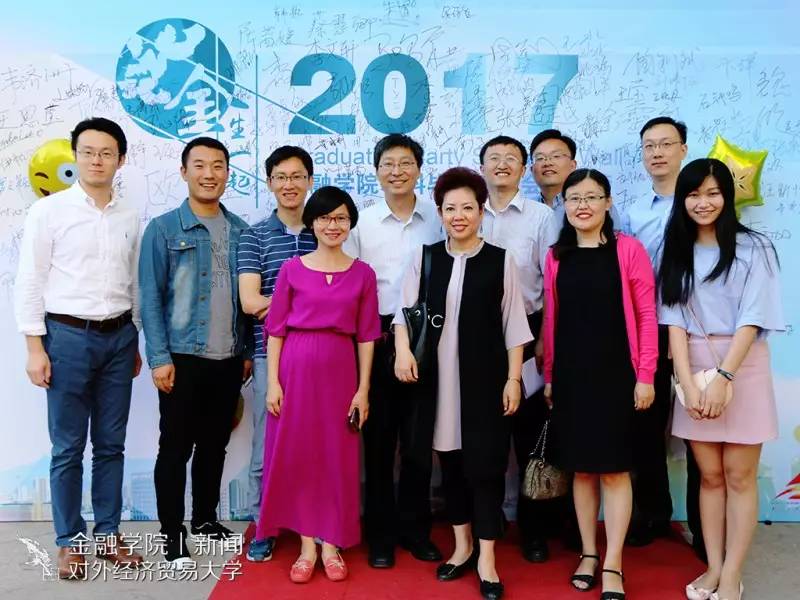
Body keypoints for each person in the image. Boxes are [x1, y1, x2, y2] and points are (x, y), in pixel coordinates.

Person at [14, 117, 144, 579]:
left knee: (111, 444)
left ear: (120, 160)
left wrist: (134, 337)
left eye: (106, 153)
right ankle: (70, 541)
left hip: (119, 337)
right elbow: (30, 280)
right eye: (87, 152)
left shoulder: (130, 215)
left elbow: (133, 281)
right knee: (68, 447)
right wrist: (35, 347)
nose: (96, 160)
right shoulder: (49, 212)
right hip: (66, 337)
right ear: (75, 156)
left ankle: (108, 535)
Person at [395, 167, 532, 600]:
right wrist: (402, 352)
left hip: (486, 381)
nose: (458, 216)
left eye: (467, 208)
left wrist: (514, 378)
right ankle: (462, 547)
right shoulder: (425, 257)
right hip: (436, 383)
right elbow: (403, 313)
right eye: (450, 208)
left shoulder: (500, 260)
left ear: (481, 212)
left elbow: (514, 324)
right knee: (450, 466)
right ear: (440, 213)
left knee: (486, 469)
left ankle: (487, 559)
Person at [658, 158, 784, 600]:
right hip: (692, 365)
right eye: (694, 194)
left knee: (738, 475)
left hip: (743, 364)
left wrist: (724, 376)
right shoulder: (675, 249)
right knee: (709, 475)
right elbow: (673, 320)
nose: (703, 203)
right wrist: (687, 382)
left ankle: (732, 574)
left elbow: (754, 316)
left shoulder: (755, 247)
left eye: (712, 193)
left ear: (728, 197)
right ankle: (713, 567)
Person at [542, 169, 658, 600]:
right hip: (572, 377)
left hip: (617, 377)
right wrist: (550, 377)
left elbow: (647, 316)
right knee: (582, 469)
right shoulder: (556, 255)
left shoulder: (628, 250)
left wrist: (645, 376)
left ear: (608, 203)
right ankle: (589, 553)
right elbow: (552, 320)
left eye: (592, 197)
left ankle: (614, 561)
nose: (583, 206)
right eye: (574, 198)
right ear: (565, 206)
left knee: (614, 470)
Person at [256, 186, 381, 583]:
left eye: (341, 218)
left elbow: (367, 335)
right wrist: (273, 383)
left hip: (341, 373)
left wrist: (363, 389)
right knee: (301, 457)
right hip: (295, 372)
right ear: (312, 222)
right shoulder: (292, 269)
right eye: (325, 217)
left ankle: (332, 543)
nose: (332, 225)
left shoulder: (363, 273)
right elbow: (275, 331)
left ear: (350, 224)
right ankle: (308, 544)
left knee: (336, 457)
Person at [139, 137, 252, 568]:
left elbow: (247, 296)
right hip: (182, 357)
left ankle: (205, 519)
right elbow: (150, 298)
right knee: (175, 448)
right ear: (184, 172)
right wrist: (159, 358)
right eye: (200, 165)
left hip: (228, 359)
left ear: (227, 173)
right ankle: (172, 534)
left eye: (218, 165)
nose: (209, 174)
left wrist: (245, 350)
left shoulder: (241, 231)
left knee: (214, 444)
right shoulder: (164, 229)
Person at [343, 134, 444, 568]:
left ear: (419, 169)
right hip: (377, 336)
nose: (397, 171)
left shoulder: (438, 219)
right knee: (379, 444)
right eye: (388, 164)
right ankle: (380, 537)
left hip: (427, 338)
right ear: (377, 171)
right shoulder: (362, 223)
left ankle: (416, 531)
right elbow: (348, 281)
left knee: (419, 445)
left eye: (405, 163)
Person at [477, 135, 561, 562]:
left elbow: (552, 283)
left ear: (524, 169)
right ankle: (486, 524)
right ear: (482, 168)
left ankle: (534, 531)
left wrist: (545, 336)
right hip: (478, 335)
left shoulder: (541, 217)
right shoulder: (467, 210)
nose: (502, 164)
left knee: (530, 438)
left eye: (511, 158)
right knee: (485, 440)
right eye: (494, 158)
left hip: (529, 334)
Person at [622, 116, 702, 554]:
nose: (657, 152)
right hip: (648, 328)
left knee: (700, 431)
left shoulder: (702, 206)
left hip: (697, 329)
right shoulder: (633, 213)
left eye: (666, 144)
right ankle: (653, 513)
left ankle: (703, 526)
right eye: (649, 145)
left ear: (683, 150)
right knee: (645, 426)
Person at [237, 146, 317, 562]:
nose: (289, 184)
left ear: (309, 181)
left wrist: (287, 305)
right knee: (266, 448)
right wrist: (313, 304)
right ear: (269, 183)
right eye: (281, 177)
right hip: (271, 355)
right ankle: (263, 527)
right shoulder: (254, 236)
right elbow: (250, 301)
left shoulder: (323, 230)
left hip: (321, 357)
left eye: (297, 176)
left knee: (314, 446)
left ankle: (313, 525)